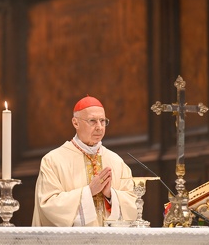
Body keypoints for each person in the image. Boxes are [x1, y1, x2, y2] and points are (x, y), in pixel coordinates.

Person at [32, 95, 137, 226]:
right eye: (92, 121)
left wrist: (110, 195)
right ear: (75, 123)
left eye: (103, 121)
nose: (99, 127)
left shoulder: (116, 161)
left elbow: (133, 205)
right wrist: (89, 192)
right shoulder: (53, 161)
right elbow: (48, 205)